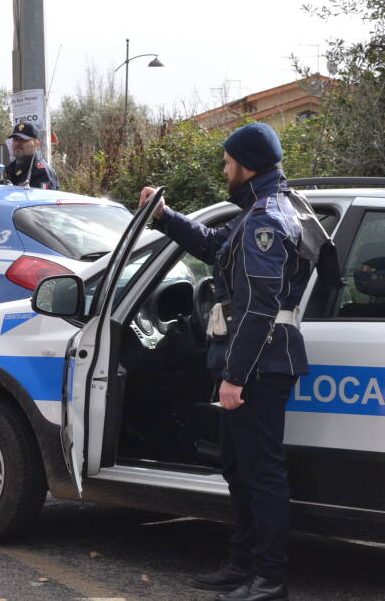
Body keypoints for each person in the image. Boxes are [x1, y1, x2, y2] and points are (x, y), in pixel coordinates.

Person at [140, 123, 310, 601]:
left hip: (258, 367)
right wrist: (167, 217)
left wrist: (235, 376)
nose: (224, 168)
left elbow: (258, 306)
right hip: (253, 363)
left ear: (246, 164)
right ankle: (242, 564)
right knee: (239, 469)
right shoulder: (257, 210)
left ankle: (269, 578)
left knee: (261, 474)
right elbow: (216, 246)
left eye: (228, 161)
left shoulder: (265, 219)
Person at [4, 122, 59, 189]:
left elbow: (45, 198)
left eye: (23, 140)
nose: (17, 143)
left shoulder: (42, 173)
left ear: (36, 144)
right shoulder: (12, 167)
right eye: (15, 139)